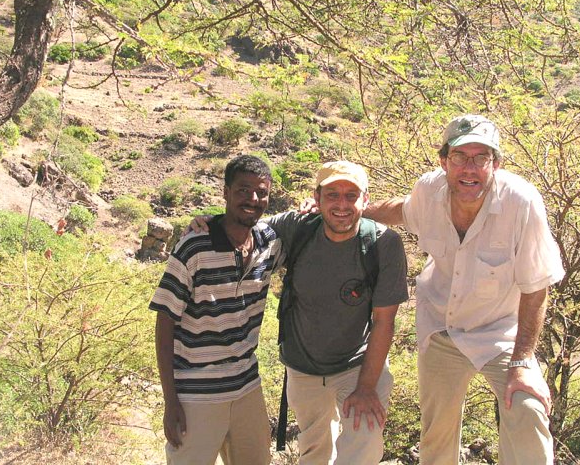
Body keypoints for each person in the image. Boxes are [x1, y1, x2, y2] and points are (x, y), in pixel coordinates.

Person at [362, 114, 565, 464]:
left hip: (500, 331)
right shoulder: (430, 189)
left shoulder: (522, 203)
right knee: (437, 432)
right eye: (459, 157)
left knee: (528, 406)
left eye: (481, 157)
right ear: (444, 161)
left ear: (496, 164)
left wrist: (520, 363)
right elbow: (403, 210)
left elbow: (536, 287)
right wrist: (351, 209)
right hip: (440, 325)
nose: (469, 168)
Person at [190, 160, 409, 464]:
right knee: (314, 451)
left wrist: (366, 387)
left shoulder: (383, 244)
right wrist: (209, 222)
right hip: (304, 367)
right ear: (317, 199)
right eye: (332, 195)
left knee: (363, 447)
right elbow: (244, 225)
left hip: (359, 365)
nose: (342, 205)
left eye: (351, 195)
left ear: (365, 200)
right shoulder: (298, 227)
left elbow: (384, 322)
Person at [149, 155, 283, 465]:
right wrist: (171, 401)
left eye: (261, 192)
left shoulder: (269, 244)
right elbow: (165, 322)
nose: (253, 199)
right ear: (225, 192)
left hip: (247, 386)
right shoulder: (194, 247)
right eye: (243, 190)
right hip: (196, 395)